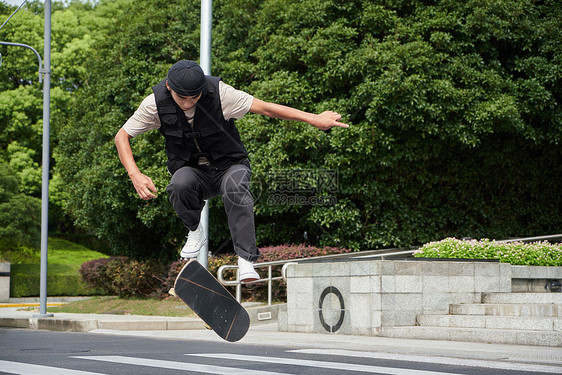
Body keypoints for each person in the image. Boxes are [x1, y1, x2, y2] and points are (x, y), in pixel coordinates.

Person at [115, 60, 349, 282]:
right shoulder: (154, 104)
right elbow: (122, 136)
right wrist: (135, 174)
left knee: (235, 187)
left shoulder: (221, 93)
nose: (187, 104)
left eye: (194, 97)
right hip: (194, 173)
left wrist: (314, 119)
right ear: (169, 87)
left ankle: (246, 259)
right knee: (179, 184)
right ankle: (195, 231)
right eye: (181, 98)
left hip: (230, 166)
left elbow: (266, 108)